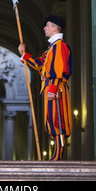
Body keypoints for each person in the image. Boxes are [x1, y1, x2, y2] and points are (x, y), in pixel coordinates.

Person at [18, 15, 72, 161]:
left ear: (55, 28)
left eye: (47, 25)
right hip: (50, 88)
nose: (44, 28)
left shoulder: (60, 46)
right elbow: (39, 64)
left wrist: (53, 89)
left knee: (58, 120)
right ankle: (57, 153)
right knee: (51, 121)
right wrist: (24, 54)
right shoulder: (51, 48)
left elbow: (58, 69)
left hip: (55, 89)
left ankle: (59, 154)